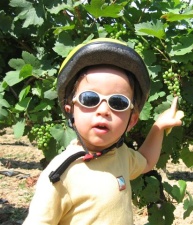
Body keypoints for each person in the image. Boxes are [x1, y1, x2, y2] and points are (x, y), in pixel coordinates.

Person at [23, 38, 183, 224]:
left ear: (131, 121)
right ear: (70, 110)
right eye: (90, 99)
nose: (104, 110)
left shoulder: (121, 155)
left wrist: (159, 127)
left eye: (118, 103)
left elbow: (146, 162)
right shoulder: (60, 174)